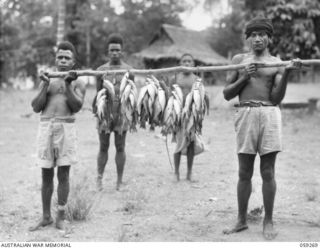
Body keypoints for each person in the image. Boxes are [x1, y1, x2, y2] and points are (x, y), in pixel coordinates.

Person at [222, 17, 301, 240]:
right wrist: (244, 76)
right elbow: (227, 94)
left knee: (268, 171)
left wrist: (286, 73)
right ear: (248, 38)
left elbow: (276, 98)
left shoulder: (277, 63)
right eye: (253, 35)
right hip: (245, 113)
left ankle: (268, 220)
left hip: (268, 113)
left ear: (269, 38)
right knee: (243, 171)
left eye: (262, 34)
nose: (258, 38)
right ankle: (241, 220)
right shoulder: (239, 60)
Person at [29, 41, 86, 231]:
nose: (62, 60)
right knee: (46, 175)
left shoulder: (79, 81)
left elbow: (76, 107)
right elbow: (36, 107)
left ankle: (60, 217)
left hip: (66, 127)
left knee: (63, 174)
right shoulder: (47, 78)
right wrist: (45, 85)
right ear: (55, 59)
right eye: (60, 57)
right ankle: (46, 217)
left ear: (73, 61)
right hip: (46, 127)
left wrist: (68, 85)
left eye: (67, 57)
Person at [92, 33, 133, 191]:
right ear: (107, 52)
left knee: (120, 147)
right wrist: (98, 112)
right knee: (103, 147)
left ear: (122, 51)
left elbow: (131, 94)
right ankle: (99, 180)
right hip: (105, 111)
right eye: (112, 50)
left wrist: (129, 113)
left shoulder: (129, 70)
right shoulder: (100, 70)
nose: (115, 53)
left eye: (117, 50)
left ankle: (119, 181)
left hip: (121, 112)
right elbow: (98, 93)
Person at [173, 53, 208, 182]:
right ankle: (176, 172)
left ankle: (189, 172)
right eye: (184, 61)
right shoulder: (176, 77)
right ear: (180, 63)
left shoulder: (197, 79)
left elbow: (202, 97)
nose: (187, 63)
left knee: (191, 144)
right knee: (178, 143)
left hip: (192, 116)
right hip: (178, 114)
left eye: (189, 61)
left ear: (193, 64)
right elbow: (170, 95)